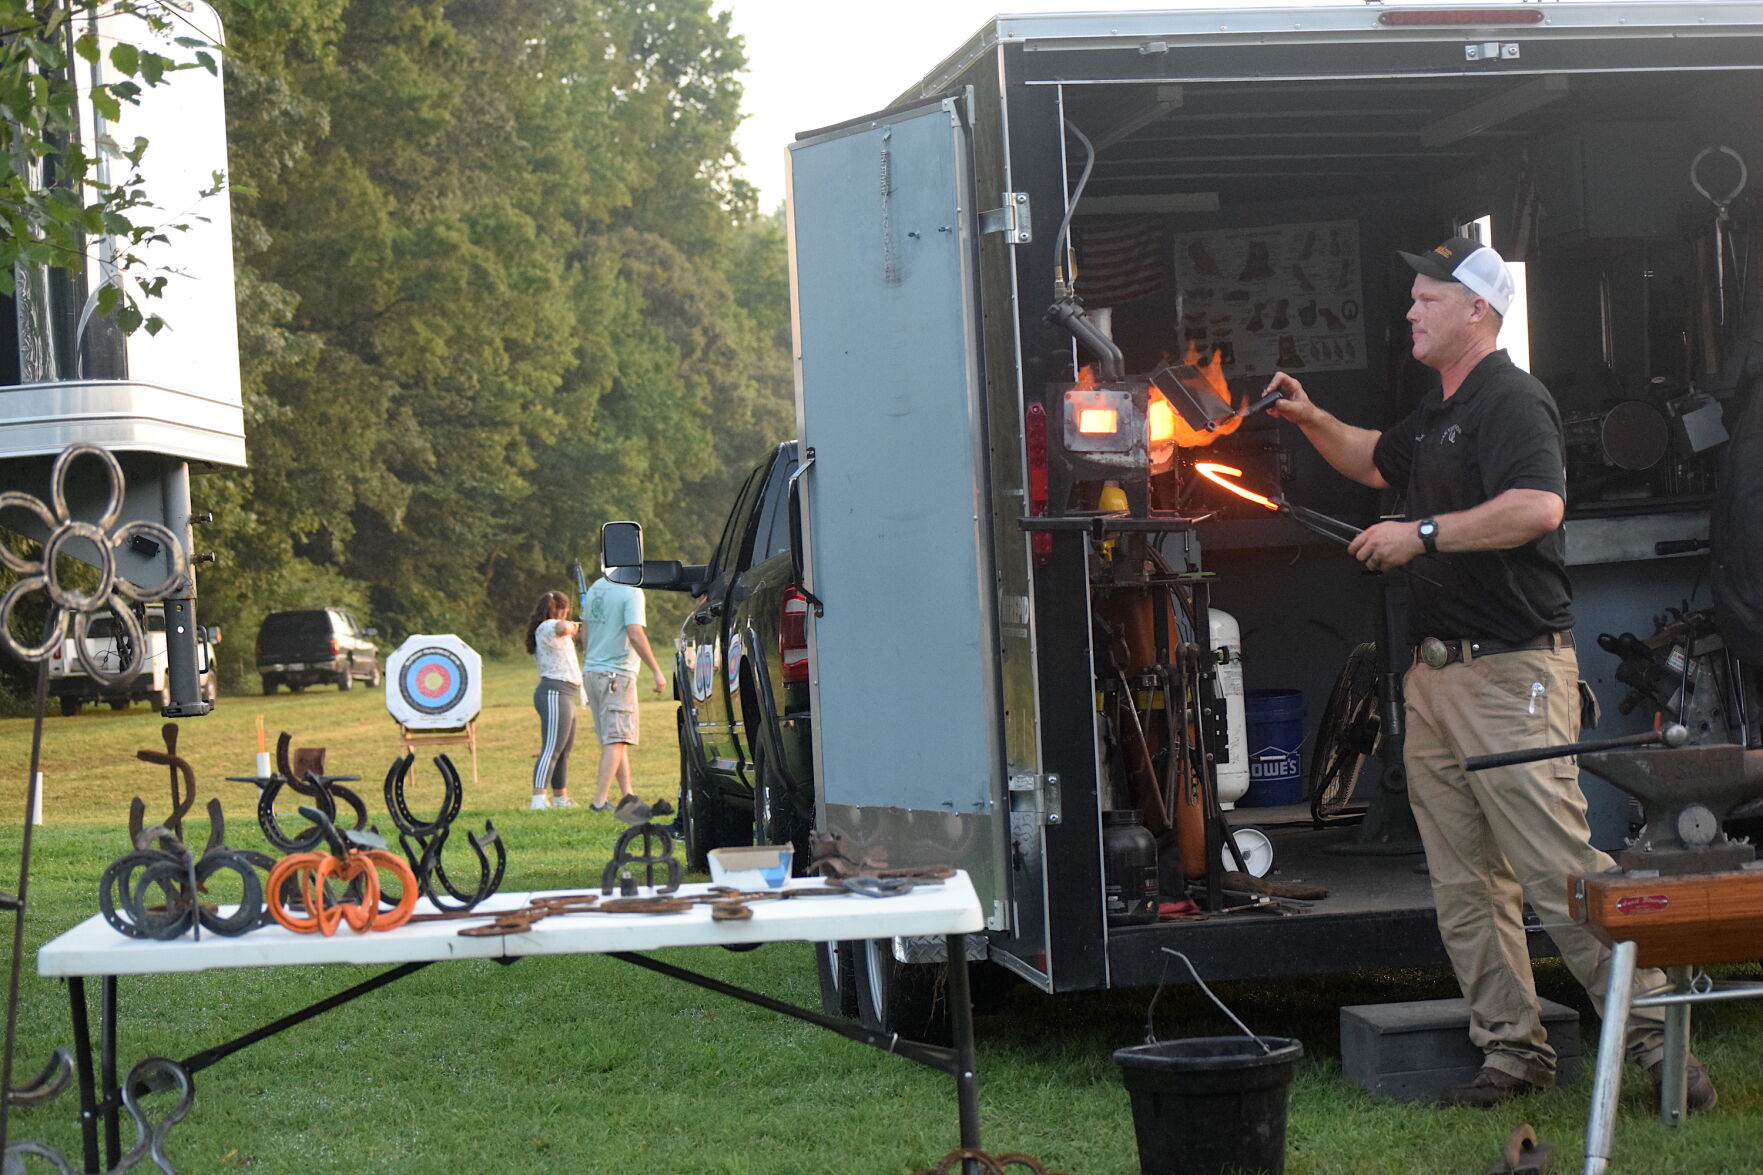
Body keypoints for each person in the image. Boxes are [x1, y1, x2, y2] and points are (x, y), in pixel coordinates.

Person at [1263, 237, 1716, 1112]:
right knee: (1463, 881)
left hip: (1511, 675)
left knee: (1556, 870)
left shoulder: (1511, 399)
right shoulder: (1437, 411)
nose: (1408, 312)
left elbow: (1537, 506)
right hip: (1435, 682)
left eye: (1425, 298)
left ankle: (1659, 1043)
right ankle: (1512, 1053)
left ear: (1476, 308)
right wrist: (1311, 417)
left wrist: (1419, 535)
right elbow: (1372, 460)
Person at [580, 570, 667, 812]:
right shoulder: (631, 592)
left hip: (592, 672)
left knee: (615, 739)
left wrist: (591, 657)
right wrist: (656, 670)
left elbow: (585, 631)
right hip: (616, 675)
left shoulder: (597, 586)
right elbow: (635, 634)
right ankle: (599, 802)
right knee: (617, 738)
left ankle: (628, 795)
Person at [525, 590, 582, 811]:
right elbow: (563, 627)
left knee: (564, 749)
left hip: (566, 692)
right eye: (565, 611)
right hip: (554, 691)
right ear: (559, 610)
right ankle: (538, 799)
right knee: (551, 748)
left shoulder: (551, 630)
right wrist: (572, 625)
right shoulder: (547, 626)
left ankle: (560, 799)